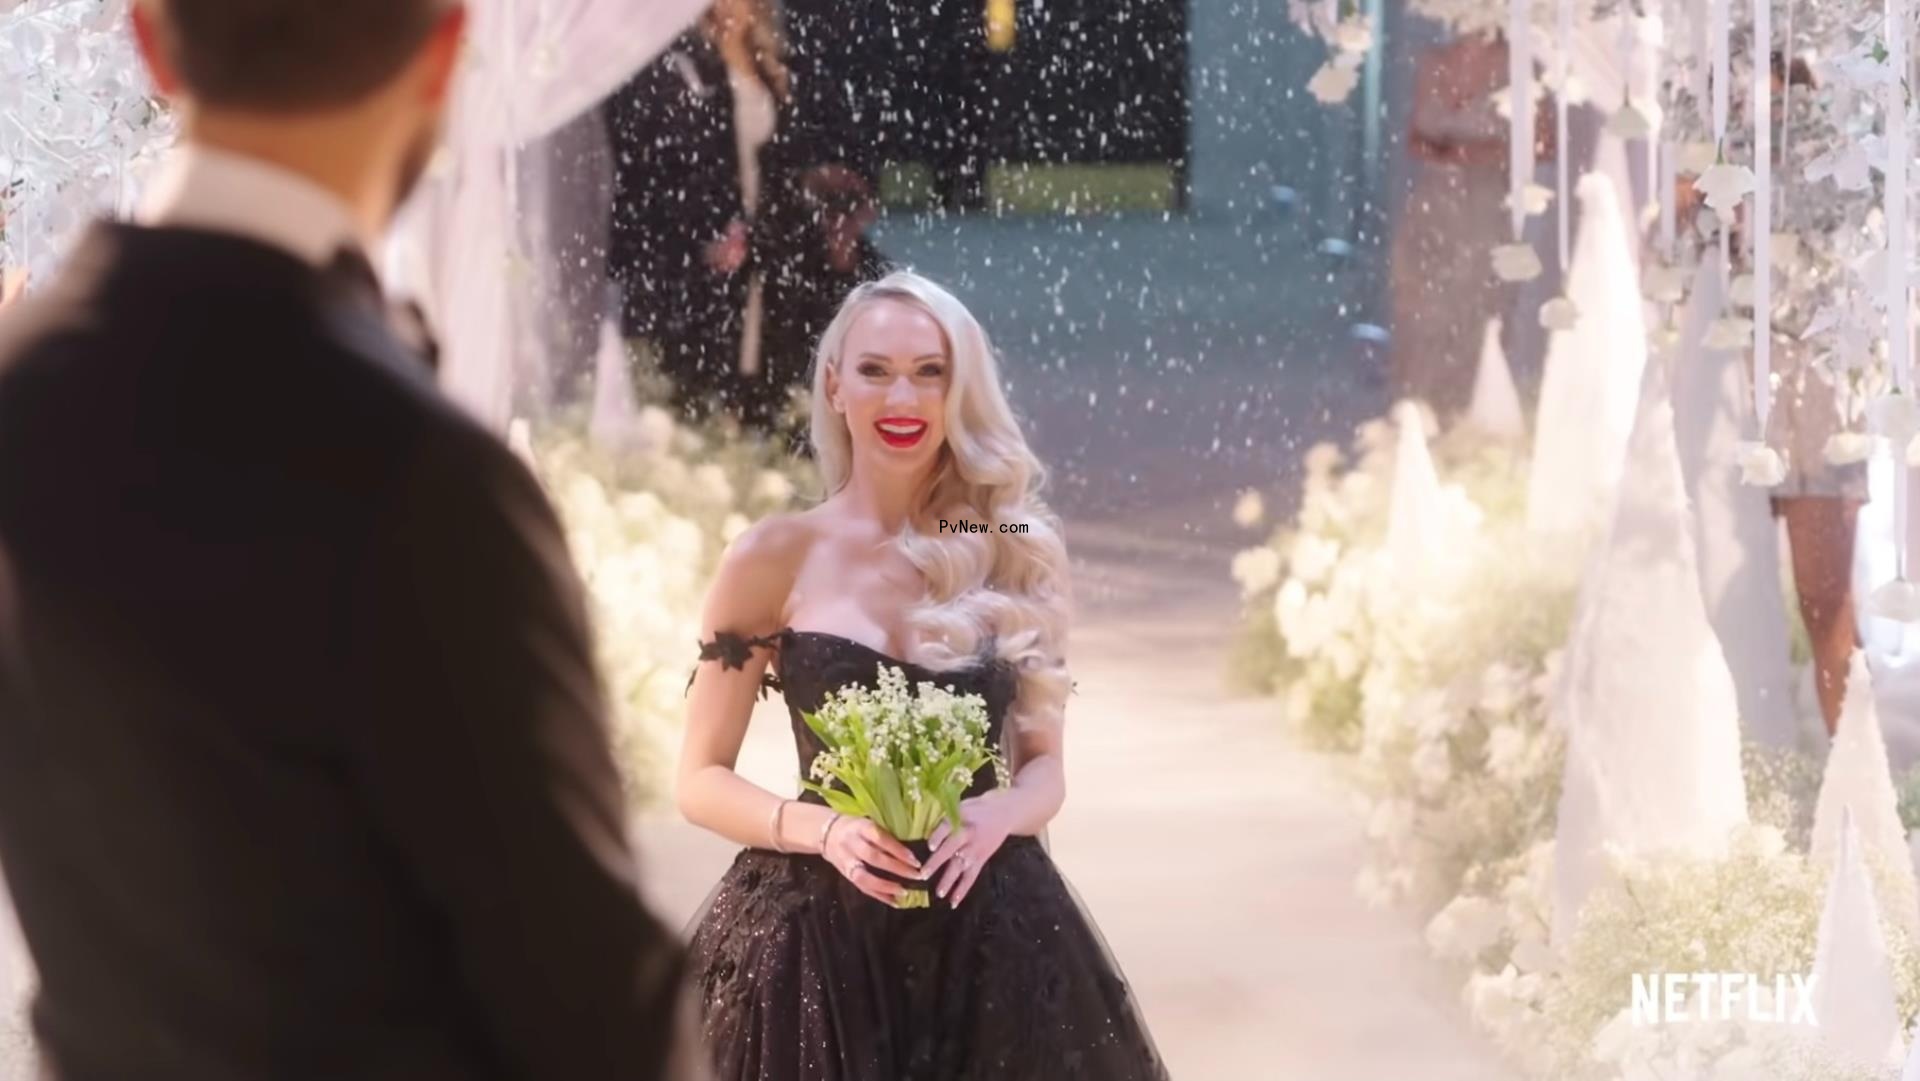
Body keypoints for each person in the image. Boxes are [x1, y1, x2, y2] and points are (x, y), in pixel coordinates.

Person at [0, 2, 704, 1078]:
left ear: (147, 37)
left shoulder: (23, 403)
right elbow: (606, 1023)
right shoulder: (423, 479)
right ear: (442, 53)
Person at [675, 271, 1168, 1080]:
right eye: (874, 370)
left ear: (959, 389)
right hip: (811, 942)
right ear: (834, 384)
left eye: (929, 372)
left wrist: (998, 812)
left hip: (990, 935)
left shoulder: (1015, 545)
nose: (901, 397)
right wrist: (825, 830)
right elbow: (697, 779)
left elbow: (1047, 769)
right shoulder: (771, 555)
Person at [604, 11, 752, 425]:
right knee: (650, 379)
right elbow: (636, 171)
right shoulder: (624, 64)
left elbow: (722, 155)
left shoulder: (702, 58)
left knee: (701, 384)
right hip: (648, 256)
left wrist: (732, 224)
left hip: (705, 269)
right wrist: (692, 238)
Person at [1388, 30, 1530, 419]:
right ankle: (1422, 415)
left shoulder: (1517, 64)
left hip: (1486, 208)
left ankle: (1473, 414)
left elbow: (1538, 142)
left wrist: (1467, 153)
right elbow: (1415, 139)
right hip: (1434, 205)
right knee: (1424, 313)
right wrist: (1445, 153)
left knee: (1479, 310)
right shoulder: (1433, 61)